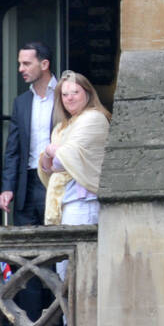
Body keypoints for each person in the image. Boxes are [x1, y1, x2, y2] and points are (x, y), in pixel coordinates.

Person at [39, 71, 110, 227]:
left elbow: (63, 160)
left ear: (88, 93)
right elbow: (49, 168)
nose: (69, 98)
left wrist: (51, 152)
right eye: (64, 95)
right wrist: (50, 155)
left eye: (75, 92)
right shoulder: (60, 127)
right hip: (64, 199)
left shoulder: (94, 118)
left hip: (83, 200)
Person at [0, 41, 57, 226]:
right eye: (19, 63)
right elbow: (12, 150)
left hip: (56, 178)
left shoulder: (66, 96)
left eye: (26, 63)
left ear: (44, 64)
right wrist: (7, 188)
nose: (20, 69)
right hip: (26, 183)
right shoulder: (21, 102)